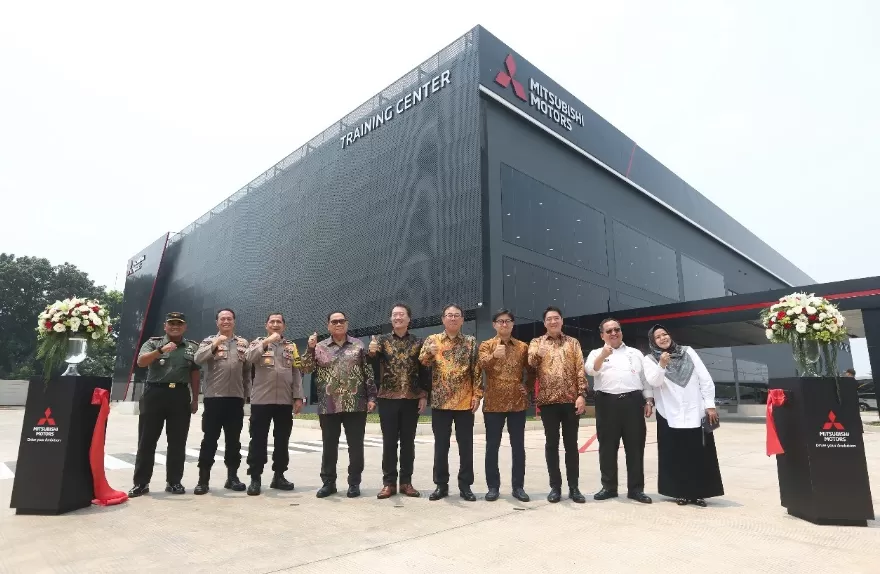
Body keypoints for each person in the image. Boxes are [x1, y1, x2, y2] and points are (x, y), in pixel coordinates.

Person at [642, 325, 723, 507]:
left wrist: (710, 405)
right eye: (658, 337)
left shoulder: (687, 351)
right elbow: (654, 381)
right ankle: (680, 493)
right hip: (670, 413)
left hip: (695, 411)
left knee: (698, 455)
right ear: (653, 341)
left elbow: (704, 377)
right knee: (676, 456)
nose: (663, 338)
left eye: (665, 334)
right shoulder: (649, 359)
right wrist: (662, 364)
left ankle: (699, 493)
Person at [302, 311, 377, 499]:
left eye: (341, 321)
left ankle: (354, 483)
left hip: (356, 404)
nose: (338, 324)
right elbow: (306, 368)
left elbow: (368, 372)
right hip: (329, 405)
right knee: (329, 445)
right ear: (328, 325)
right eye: (334, 321)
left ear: (347, 324)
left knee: (356, 446)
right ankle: (329, 483)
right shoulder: (319, 346)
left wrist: (371, 398)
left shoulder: (359, 345)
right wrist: (309, 349)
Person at [129, 312, 200, 497]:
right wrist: (160, 351)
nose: (175, 326)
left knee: (177, 442)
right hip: (155, 394)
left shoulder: (191, 347)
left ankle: (174, 482)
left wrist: (195, 399)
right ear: (165, 326)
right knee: (146, 440)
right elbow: (141, 362)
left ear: (185, 327)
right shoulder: (153, 343)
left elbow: (195, 373)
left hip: (180, 394)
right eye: (171, 323)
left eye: (179, 324)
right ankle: (141, 483)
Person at [585, 318, 654, 504]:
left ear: (621, 332)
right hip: (607, 403)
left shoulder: (635, 353)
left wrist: (648, 399)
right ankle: (608, 487)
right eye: (609, 331)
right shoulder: (595, 353)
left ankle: (636, 489)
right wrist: (603, 355)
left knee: (635, 446)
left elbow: (645, 379)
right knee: (607, 447)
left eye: (617, 329)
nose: (614, 333)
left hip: (633, 402)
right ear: (602, 335)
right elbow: (591, 371)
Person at [419, 303, 481, 502]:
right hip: (440, 403)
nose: (453, 318)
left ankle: (465, 486)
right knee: (441, 446)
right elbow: (423, 362)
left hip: (464, 402)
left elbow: (477, 370)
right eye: (449, 315)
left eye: (456, 315)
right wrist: (429, 351)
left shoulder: (471, 342)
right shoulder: (433, 340)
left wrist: (477, 395)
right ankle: (441, 485)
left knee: (466, 446)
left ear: (462, 320)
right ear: (443, 319)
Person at [367, 303, 428, 499]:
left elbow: (425, 370)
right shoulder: (382, 341)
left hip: (411, 398)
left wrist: (424, 395)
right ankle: (389, 483)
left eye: (402, 314)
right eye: (394, 315)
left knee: (408, 443)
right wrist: (372, 353)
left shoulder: (420, 342)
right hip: (388, 398)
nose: (398, 317)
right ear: (390, 319)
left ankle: (406, 482)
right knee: (389, 442)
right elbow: (372, 367)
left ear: (409, 319)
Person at [528, 306, 587, 504]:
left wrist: (581, 395)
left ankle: (574, 487)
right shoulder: (537, 342)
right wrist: (539, 354)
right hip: (548, 402)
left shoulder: (573, 342)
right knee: (551, 445)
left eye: (556, 318)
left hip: (571, 401)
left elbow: (580, 368)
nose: (553, 322)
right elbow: (530, 365)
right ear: (544, 323)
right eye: (549, 319)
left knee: (571, 446)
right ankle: (555, 487)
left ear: (561, 320)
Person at [244, 313, 304, 496]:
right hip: (261, 400)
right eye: (272, 322)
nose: (276, 324)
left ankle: (279, 475)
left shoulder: (291, 346)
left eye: (279, 322)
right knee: (258, 439)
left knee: (282, 440)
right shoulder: (257, 343)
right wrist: (267, 341)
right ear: (266, 325)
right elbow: (248, 358)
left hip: (284, 401)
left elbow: (296, 372)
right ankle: (255, 477)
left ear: (284, 326)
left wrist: (298, 397)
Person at [192, 308, 250, 494]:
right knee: (209, 440)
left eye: (229, 318)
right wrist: (215, 343)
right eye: (222, 319)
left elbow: (247, 371)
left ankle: (232, 477)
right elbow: (198, 359)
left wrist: (246, 394)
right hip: (214, 399)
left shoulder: (243, 343)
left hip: (235, 400)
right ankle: (203, 480)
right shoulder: (209, 340)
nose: (226, 321)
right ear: (217, 322)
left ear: (234, 321)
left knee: (234, 441)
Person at [478, 309, 533, 502]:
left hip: (517, 403)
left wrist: (527, 387)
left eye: (508, 321)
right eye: (500, 321)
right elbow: (481, 365)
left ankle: (518, 487)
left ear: (512, 324)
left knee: (518, 446)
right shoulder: (486, 345)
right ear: (494, 325)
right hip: (493, 403)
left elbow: (531, 370)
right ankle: (493, 487)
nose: (504, 324)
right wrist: (494, 356)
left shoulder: (522, 347)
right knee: (492, 446)